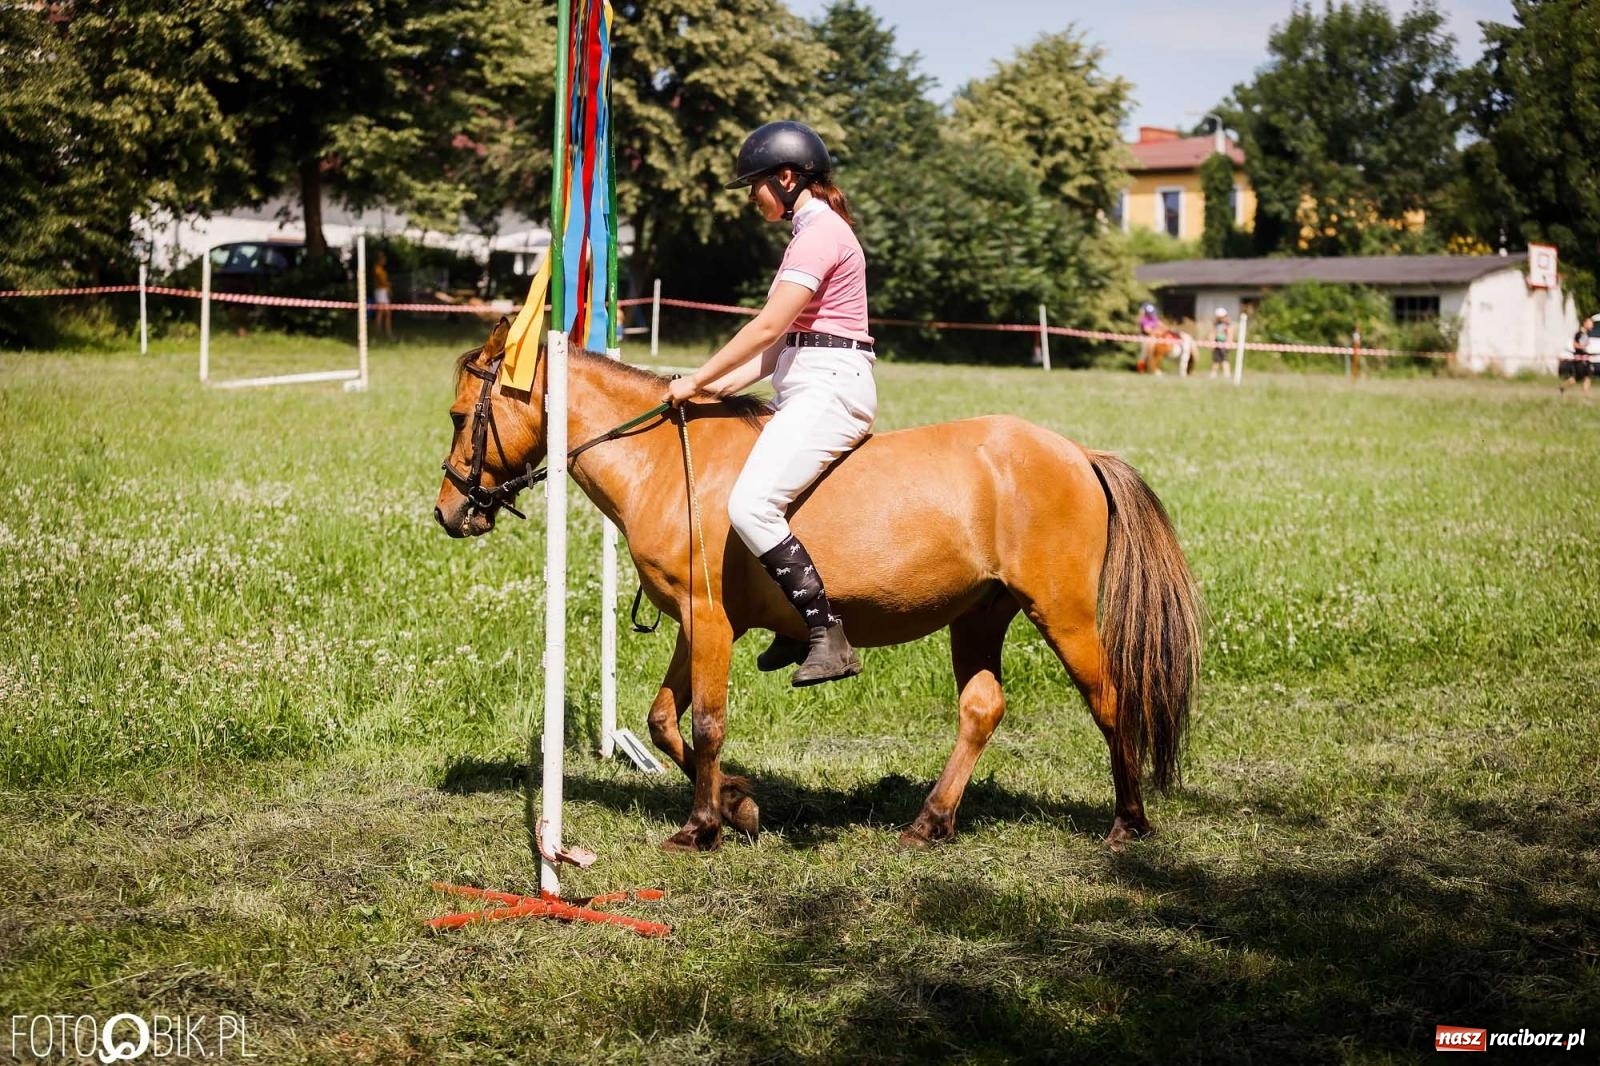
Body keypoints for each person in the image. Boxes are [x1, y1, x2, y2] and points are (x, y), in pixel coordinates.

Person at [661, 121, 875, 687]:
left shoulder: (819, 234)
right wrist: (707, 389)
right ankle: (787, 614)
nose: (751, 196)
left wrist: (701, 375)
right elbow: (777, 348)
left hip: (830, 386)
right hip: (808, 378)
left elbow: (769, 325)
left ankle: (824, 631)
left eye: (753, 184)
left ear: (784, 178)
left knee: (751, 503)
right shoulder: (811, 231)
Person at [1561, 315, 1595, 395]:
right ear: (1585, 323)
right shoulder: (1579, 334)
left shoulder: (1586, 334)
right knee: (1579, 378)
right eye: (1590, 323)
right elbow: (1575, 345)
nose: (1592, 325)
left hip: (1585, 360)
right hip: (1580, 360)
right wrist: (1583, 346)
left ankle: (1584, 393)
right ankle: (1563, 387)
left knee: (1586, 376)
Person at [372, 251, 393, 340]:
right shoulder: (377, 269)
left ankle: (388, 333)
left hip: (384, 291)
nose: (384, 260)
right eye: (383, 258)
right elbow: (381, 281)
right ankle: (378, 332)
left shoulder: (382, 270)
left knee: (387, 313)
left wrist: (388, 288)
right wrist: (388, 285)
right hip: (380, 291)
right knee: (380, 312)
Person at [1210, 307, 1233, 378]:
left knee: (1224, 359)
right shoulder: (1216, 324)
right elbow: (1212, 333)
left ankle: (1227, 373)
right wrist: (1212, 342)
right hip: (1217, 342)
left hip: (1224, 343)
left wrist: (1229, 343)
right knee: (1215, 359)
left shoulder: (1227, 324)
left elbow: (1230, 334)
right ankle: (1213, 374)